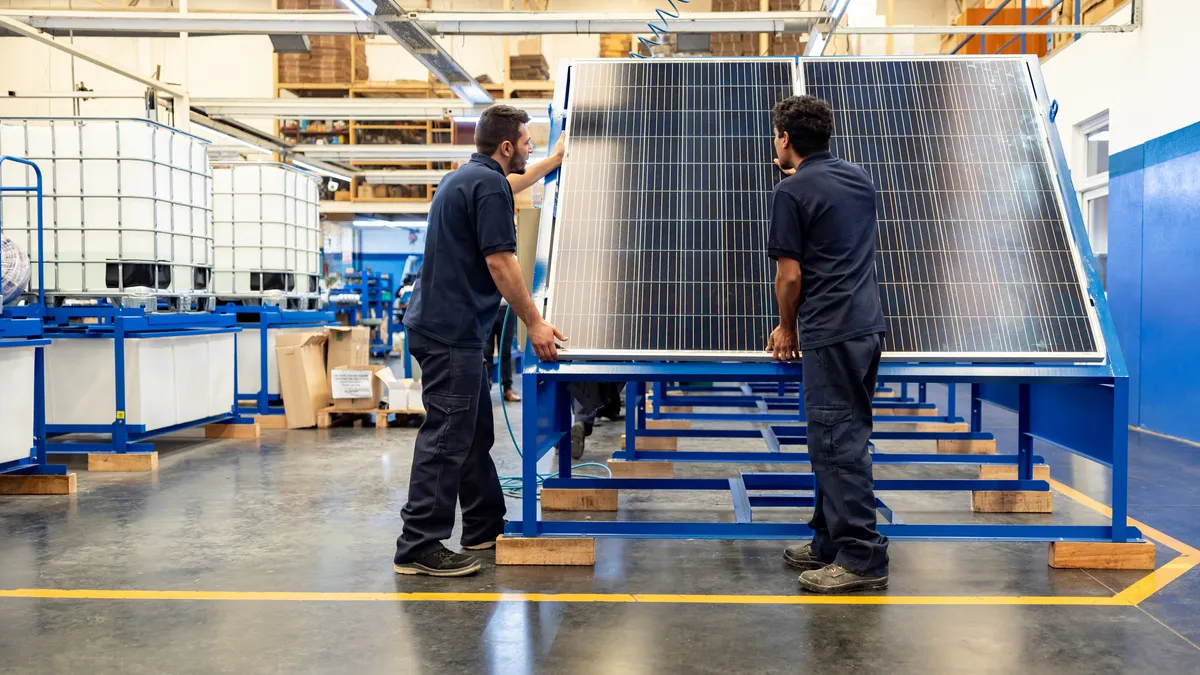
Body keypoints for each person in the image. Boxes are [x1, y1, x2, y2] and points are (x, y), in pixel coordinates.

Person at [394, 105, 568, 577]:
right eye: (527, 142)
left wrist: (551, 163)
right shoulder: (486, 184)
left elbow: (509, 186)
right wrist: (534, 321)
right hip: (451, 331)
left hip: (448, 327)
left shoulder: (467, 178)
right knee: (449, 437)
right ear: (506, 146)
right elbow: (501, 263)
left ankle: (483, 525)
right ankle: (417, 546)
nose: (530, 148)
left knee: (472, 434)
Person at [766, 95, 890, 594]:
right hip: (866, 327)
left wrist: (786, 327)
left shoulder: (791, 191)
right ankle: (827, 543)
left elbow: (789, 276)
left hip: (830, 330)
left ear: (786, 139)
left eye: (776, 134)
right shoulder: (861, 179)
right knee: (838, 438)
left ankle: (862, 557)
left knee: (837, 444)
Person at [489, 299, 520, 402]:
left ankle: (507, 389)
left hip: (507, 309)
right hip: (488, 307)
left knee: (506, 352)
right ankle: (485, 390)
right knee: (486, 353)